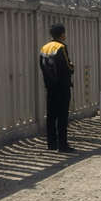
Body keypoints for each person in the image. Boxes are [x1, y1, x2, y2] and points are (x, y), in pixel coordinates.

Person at [39, 23, 76, 152]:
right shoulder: (61, 47)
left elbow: (42, 66)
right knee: (62, 115)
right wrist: (72, 66)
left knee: (51, 115)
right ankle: (62, 145)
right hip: (62, 86)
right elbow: (67, 66)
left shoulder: (44, 48)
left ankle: (51, 144)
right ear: (62, 35)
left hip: (50, 86)